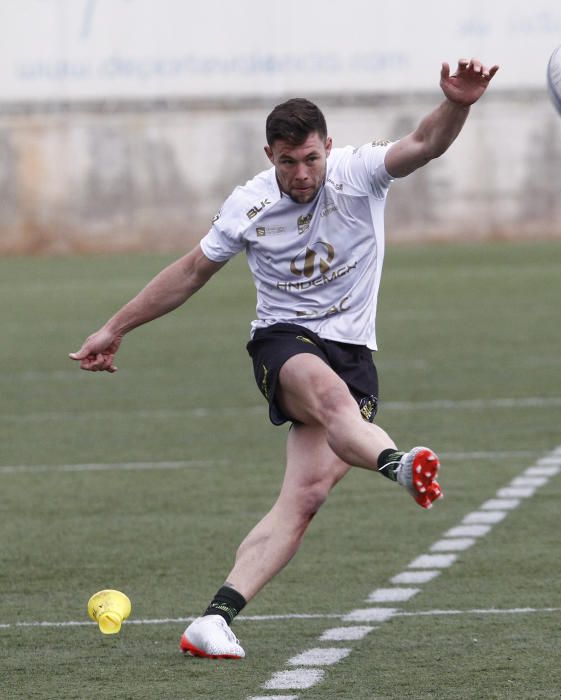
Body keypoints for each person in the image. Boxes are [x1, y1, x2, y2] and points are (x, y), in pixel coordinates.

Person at [70, 57, 499, 659]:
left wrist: (459, 103)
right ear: (269, 155)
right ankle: (400, 464)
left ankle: (215, 619)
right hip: (283, 342)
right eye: (287, 162)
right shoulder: (248, 205)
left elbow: (426, 143)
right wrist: (114, 328)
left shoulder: (359, 172)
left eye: (311, 158)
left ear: (330, 146)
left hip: (353, 352)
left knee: (303, 500)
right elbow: (191, 272)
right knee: (330, 400)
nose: (300, 174)